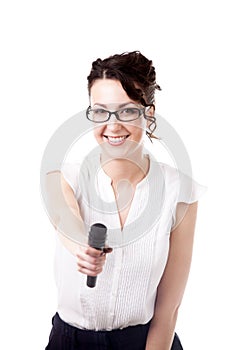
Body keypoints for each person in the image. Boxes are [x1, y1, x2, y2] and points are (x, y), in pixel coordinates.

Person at [44, 51, 205, 350]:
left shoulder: (180, 192)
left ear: (149, 114)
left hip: (147, 342)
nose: (113, 126)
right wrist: (83, 247)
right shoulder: (63, 177)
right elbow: (64, 217)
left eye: (128, 111)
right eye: (101, 111)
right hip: (70, 342)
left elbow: (167, 311)